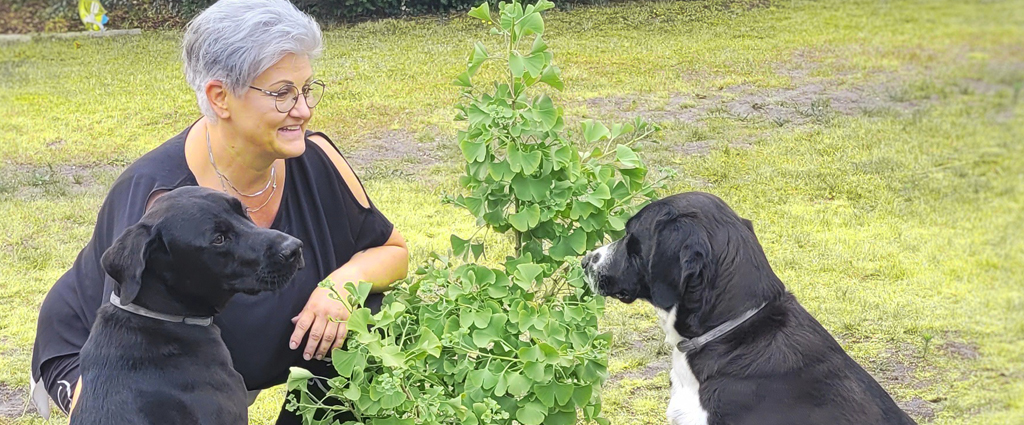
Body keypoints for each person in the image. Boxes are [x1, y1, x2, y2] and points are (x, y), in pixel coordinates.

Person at [28, 0, 410, 423]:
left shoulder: (317, 157)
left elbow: (392, 252)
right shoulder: (159, 197)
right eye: (282, 93)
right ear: (220, 97)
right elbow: (119, 360)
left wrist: (343, 283)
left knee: (371, 316)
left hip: (228, 353)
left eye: (306, 89)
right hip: (110, 359)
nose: (303, 109)